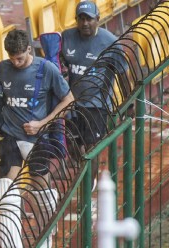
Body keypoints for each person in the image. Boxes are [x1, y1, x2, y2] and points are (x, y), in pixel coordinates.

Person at [0, 29, 74, 248]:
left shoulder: (45, 69)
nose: (15, 62)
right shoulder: (2, 68)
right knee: (6, 191)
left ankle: (47, 229)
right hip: (9, 136)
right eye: (12, 58)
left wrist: (43, 123)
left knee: (40, 186)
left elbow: (68, 99)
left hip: (36, 137)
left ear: (29, 49)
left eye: (19, 57)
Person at [61, 0, 125, 180]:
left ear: (98, 19)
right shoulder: (66, 37)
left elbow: (122, 72)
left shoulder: (110, 42)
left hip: (97, 103)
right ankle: (85, 172)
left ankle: (89, 183)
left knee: (91, 147)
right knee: (73, 146)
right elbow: (60, 65)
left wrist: (129, 102)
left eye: (89, 19)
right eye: (81, 19)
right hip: (71, 102)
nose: (85, 23)